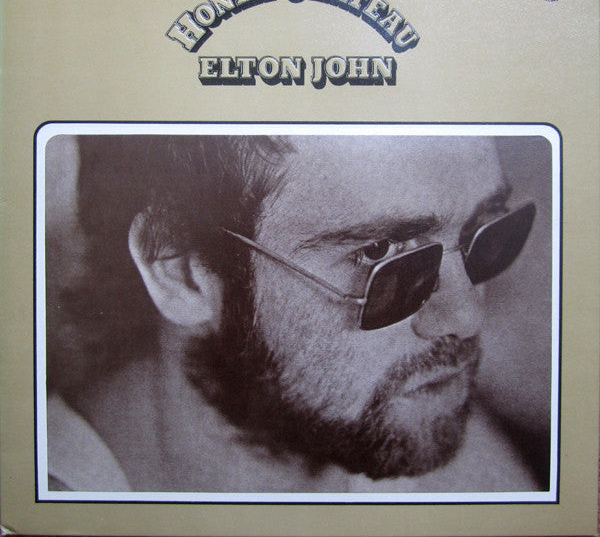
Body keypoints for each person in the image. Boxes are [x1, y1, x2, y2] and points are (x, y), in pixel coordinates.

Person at [46, 133, 545, 493]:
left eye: (483, 232)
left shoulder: (438, 448)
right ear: (181, 273)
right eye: (379, 254)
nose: (465, 316)